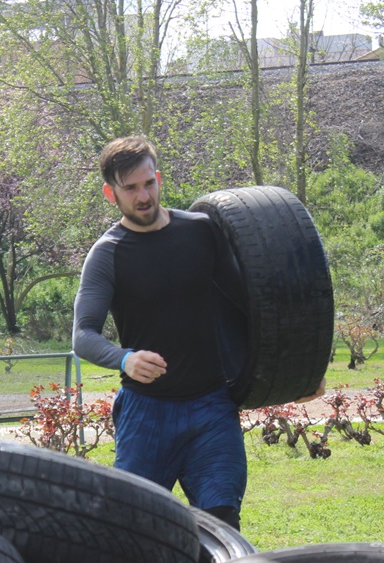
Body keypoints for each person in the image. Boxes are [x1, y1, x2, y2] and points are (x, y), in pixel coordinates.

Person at [72, 136, 253, 530]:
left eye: (148, 183)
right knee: (135, 531)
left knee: (223, 521)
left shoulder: (201, 232)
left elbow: (250, 306)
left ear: (158, 178)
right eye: (131, 188)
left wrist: (295, 369)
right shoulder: (108, 253)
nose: (143, 196)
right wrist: (126, 358)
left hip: (211, 407)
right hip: (146, 413)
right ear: (111, 193)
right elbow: (83, 335)